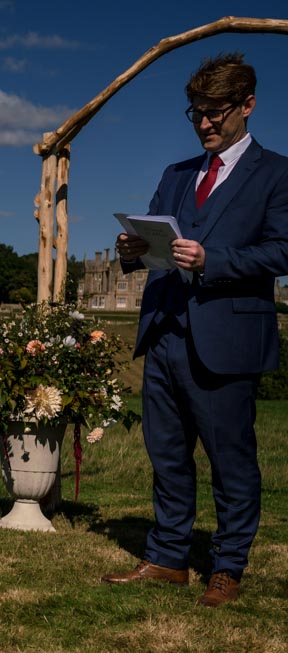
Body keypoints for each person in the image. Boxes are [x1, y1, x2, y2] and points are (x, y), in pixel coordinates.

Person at [102, 53, 288, 607]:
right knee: (166, 455)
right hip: (164, 333)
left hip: (227, 340)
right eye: (196, 113)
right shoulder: (176, 174)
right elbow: (154, 247)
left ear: (247, 105)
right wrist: (132, 251)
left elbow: (282, 250)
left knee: (231, 460)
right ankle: (167, 558)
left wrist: (214, 260)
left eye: (215, 112)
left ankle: (227, 567)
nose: (204, 123)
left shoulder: (278, 174)